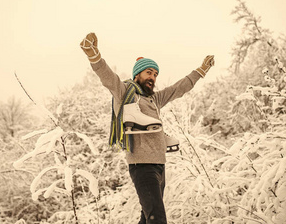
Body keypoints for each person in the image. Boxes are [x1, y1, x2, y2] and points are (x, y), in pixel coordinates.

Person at [80, 32, 214, 224]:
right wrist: (93, 55)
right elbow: (109, 78)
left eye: (155, 74)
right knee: (157, 218)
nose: (153, 77)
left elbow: (178, 88)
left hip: (160, 165)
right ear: (138, 74)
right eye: (148, 72)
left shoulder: (154, 99)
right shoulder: (126, 93)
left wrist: (200, 71)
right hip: (142, 166)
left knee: (148, 218)